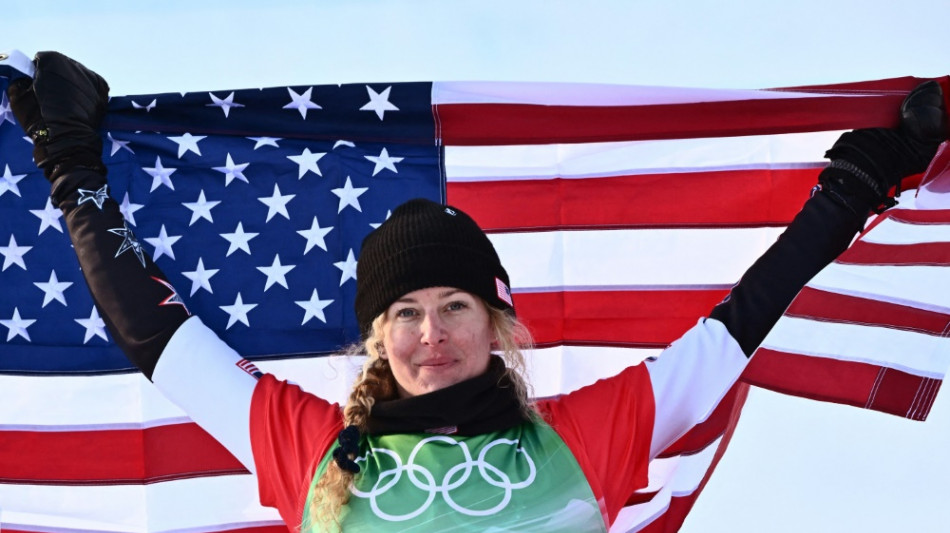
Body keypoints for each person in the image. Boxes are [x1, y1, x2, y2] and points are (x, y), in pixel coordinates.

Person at [7, 51, 947, 532]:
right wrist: (70, 163)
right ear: (378, 338)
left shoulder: (587, 436)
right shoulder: (317, 459)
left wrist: (858, 187)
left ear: (498, 322)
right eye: (405, 315)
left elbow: (741, 322)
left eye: (456, 306)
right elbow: (156, 337)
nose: (432, 334)